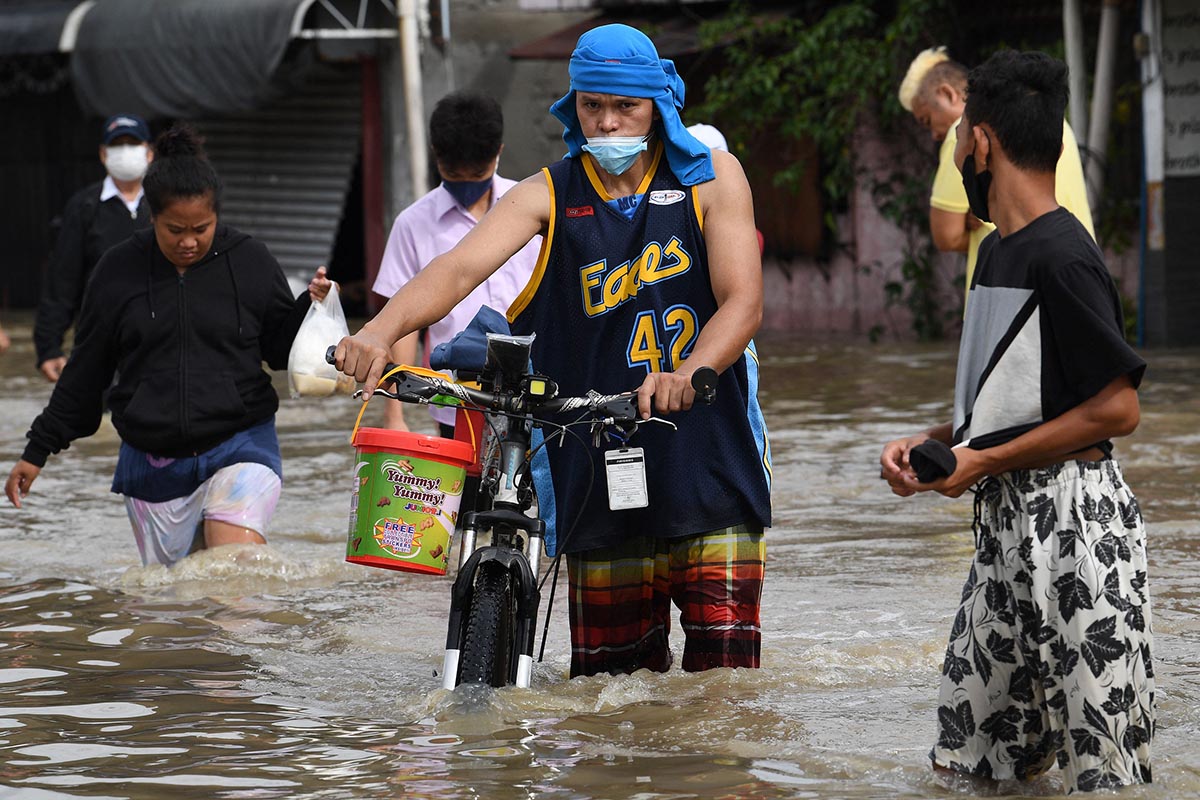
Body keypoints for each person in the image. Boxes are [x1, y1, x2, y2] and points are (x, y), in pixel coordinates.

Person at [335, 24, 772, 678]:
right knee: (610, 700)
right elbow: (456, 270)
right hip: (596, 465)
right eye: (592, 104)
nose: (607, 122)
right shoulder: (548, 191)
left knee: (727, 694)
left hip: (708, 457)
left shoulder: (715, 179)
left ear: (658, 103)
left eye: (625, 106)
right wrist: (376, 332)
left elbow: (743, 301)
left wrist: (690, 372)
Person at [880, 51, 1153, 792]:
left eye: (961, 137)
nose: (960, 151)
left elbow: (1116, 407)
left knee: (1104, 774)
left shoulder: (1065, 257)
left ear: (982, 142)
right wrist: (936, 444)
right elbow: (1014, 398)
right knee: (967, 766)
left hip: (1077, 531)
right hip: (1001, 530)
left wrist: (983, 461)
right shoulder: (998, 251)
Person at [6, 124, 332, 568]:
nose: (189, 241)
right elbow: (87, 372)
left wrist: (308, 308)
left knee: (233, 573)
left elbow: (278, 351)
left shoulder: (250, 260)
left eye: (202, 228)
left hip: (241, 444)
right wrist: (37, 450)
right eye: (174, 229)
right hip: (152, 464)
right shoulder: (117, 271)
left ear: (217, 215)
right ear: (151, 217)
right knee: (174, 610)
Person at [373, 91, 540, 434]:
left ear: (499, 153)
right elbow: (405, 326)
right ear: (436, 156)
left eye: (476, 172)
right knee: (463, 488)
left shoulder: (534, 208)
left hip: (537, 393)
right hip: (455, 400)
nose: (466, 183)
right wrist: (394, 417)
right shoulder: (413, 223)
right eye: (453, 172)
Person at [898, 47, 1095, 310]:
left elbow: (946, 235)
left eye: (926, 121)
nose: (934, 134)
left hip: (1003, 292)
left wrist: (975, 222)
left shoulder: (966, 132)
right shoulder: (1053, 123)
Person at [35, 114, 155, 382]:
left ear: (149, 152)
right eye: (117, 145)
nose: (125, 152)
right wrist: (49, 347)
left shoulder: (166, 204)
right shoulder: (84, 207)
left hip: (159, 342)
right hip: (99, 342)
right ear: (103, 154)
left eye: (132, 143)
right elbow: (62, 281)